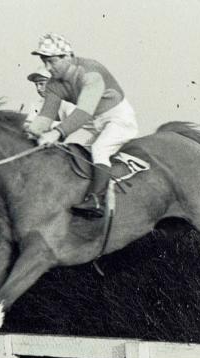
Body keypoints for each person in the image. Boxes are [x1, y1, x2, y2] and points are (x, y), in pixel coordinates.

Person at [25, 33, 139, 219]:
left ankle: (97, 200)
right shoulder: (54, 84)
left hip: (117, 118)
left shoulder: (91, 71)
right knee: (69, 148)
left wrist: (56, 132)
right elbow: (45, 117)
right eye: (44, 61)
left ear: (67, 56)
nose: (47, 68)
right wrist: (29, 131)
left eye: (51, 61)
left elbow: (83, 112)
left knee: (100, 149)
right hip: (92, 122)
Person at [23, 68, 94, 147]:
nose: (38, 88)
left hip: (82, 134)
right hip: (54, 138)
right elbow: (29, 125)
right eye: (36, 85)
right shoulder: (36, 104)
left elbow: (74, 126)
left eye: (41, 84)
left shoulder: (67, 101)